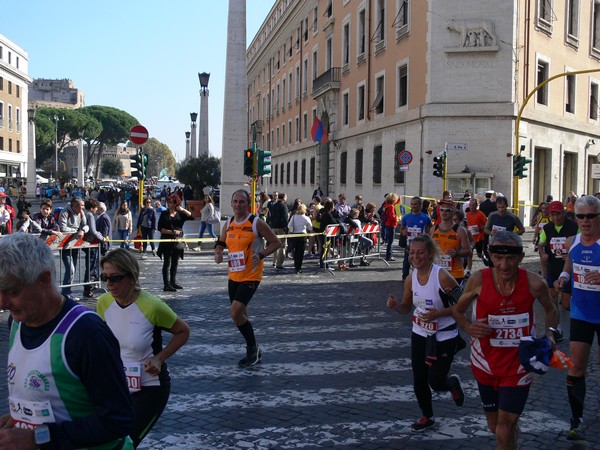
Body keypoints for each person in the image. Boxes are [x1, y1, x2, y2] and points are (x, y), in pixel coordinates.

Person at [0, 233, 134, 449]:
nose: (2, 303)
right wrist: (20, 419)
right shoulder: (17, 323)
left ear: (44, 280)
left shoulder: (85, 333)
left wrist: (37, 438)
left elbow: (118, 420)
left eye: (12, 292)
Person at [453, 231, 557, 449]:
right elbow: (458, 311)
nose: (504, 265)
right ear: (490, 256)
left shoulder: (534, 283)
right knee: (495, 426)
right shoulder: (478, 280)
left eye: (510, 258)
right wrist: (469, 327)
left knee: (504, 427)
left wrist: (549, 332)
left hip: (519, 365)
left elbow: (551, 308)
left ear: (520, 258)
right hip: (485, 364)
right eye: (498, 258)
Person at [97, 249, 190, 448]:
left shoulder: (152, 306)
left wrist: (159, 358)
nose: (108, 284)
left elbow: (183, 331)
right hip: (118, 385)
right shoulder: (103, 303)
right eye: (105, 277)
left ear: (131, 277)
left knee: (126, 443)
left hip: (149, 387)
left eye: (115, 278)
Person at [386, 235, 465, 432]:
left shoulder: (442, 277)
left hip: (445, 335)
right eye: (412, 253)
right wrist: (396, 306)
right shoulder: (410, 278)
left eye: (420, 252)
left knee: (436, 381)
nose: (415, 256)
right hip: (420, 332)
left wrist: (440, 313)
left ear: (429, 254)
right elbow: (406, 307)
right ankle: (426, 416)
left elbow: (462, 305)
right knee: (419, 377)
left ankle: (451, 383)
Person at [214, 189, 281, 366]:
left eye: (241, 202)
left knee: (235, 313)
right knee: (241, 314)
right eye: (235, 201)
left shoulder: (255, 222)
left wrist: (261, 254)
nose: (238, 205)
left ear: (248, 203)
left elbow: (276, 242)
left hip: (251, 274)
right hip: (234, 274)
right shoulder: (228, 223)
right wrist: (218, 253)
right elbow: (221, 243)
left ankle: (253, 348)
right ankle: (253, 349)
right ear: (231, 204)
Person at [554, 195, 600, 440]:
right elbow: (568, 267)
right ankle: (576, 419)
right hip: (581, 313)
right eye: (580, 216)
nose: (585, 220)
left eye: (591, 216)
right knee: (576, 366)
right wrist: (562, 278)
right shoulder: (573, 241)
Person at [538, 200, 578, 343]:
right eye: (552, 215)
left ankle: (581, 319)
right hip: (553, 269)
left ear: (563, 213)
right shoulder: (547, 228)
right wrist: (542, 254)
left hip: (569, 271)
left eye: (558, 215)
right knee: (552, 300)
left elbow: (582, 242)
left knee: (566, 304)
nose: (555, 218)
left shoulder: (574, 227)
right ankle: (557, 329)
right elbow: (541, 244)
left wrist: (573, 254)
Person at [157, 194, 193, 291]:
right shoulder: (164, 214)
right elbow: (160, 228)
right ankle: (166, 284)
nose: (169, 204)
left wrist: (182, 209)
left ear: (175, 203)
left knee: (175, 263)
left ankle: (173, 282)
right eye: (168, 202)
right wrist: (172, 232)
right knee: (167, 263)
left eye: (171, 202)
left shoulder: (180, 214)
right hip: (166, 241)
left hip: (177, 242)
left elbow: (192, 217)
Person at [430, 200, 471, 285]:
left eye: (448, 210)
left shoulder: (460, 230)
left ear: (453, 212)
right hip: (437, 272)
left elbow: (468, 251)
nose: (444, 212)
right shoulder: (433, 229)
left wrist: (457, 253)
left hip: (455, 274)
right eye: (442, 209)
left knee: (454, 298)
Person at [58, 197, 89, 298]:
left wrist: (83, 230)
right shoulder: (64, 212)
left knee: (73, 269)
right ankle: (65, 292)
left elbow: (86, 225)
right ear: (75, 206)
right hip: (65, 245)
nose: (83, 208)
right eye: (81, 206)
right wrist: (76, 231)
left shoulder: (81, 213)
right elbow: (63, 228)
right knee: (70, 268)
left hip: (75, 244)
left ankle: (67, 291)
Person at [400, 196, 432, 281]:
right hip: (409, 244)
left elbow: (430, 229)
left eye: (415, 204)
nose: (413, 206)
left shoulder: (425, 218)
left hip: (421, 244)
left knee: (420, 260)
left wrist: (427, 235)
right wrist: (403, 232)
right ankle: (405, 277)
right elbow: (402, 229)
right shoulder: (406, 217)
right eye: (412, 204)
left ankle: (419, 276)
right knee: (407, 260)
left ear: (420, 205)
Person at [82, 198, 105, 298]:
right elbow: (93, 231)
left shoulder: (86, 214)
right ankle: (88, 288)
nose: (96, 210)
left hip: (88, 243)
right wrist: (102, 238)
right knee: (91, 266)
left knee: (90, 266)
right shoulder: (90, 215)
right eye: (96, 208)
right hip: (91, 243)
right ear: (92, 208)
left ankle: (89, 286)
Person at [287, 203, 313, 273]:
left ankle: (296, 266)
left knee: (295, 251)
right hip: (302, 235)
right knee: (300, 252)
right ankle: (299, 267)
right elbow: (310, 227)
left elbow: (289, 226)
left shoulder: (294, 217)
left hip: (294, 235)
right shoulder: (306, 218)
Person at [465, 198, 487, 275]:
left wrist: (480, 228)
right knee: (469, 254)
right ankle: (468, 271)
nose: (471, 207)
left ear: (476, 205)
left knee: (479, 254)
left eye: (473, 205)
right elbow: (467, 224)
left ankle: (484, 258)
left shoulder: (480, 214)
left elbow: (487, 225)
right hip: (470, 238)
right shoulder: (467, 214)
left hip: (479, 237)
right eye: (470, 205)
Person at [269, 192, 289, 269]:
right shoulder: (284, 206)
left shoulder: (274, 205)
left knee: (274, 245)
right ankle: (279, 263)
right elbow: (285, 218)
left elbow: (270, 216)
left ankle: (274, 261)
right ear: (284, 197)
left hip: (273, 228)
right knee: (282, 246)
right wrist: (286, 227)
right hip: (281, 228)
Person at [381, 193, 401, 261]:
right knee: (390, 241)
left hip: (387, 223)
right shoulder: (391, 207)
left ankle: (388, 255)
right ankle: (389, 256)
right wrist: (398, 218)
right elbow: (392, 217)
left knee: (389, 241)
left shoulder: (386, 206)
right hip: (391, 224)